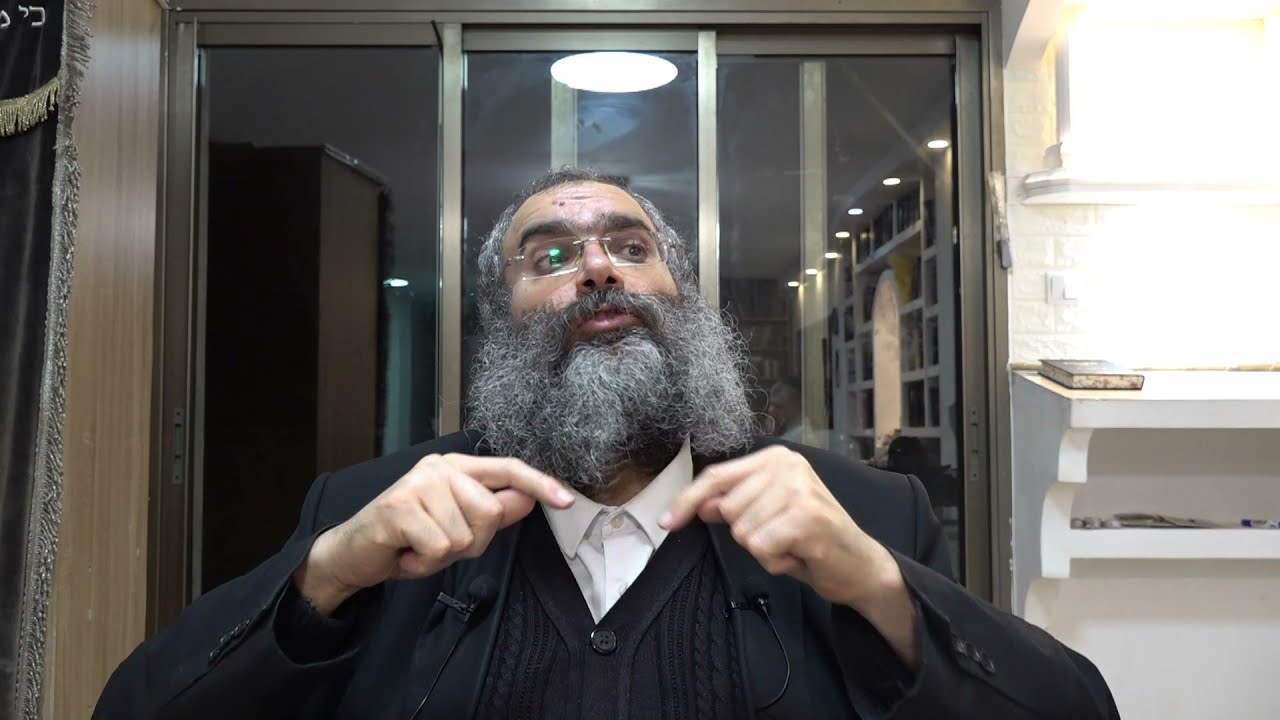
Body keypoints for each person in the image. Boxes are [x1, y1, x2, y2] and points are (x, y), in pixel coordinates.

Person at [95, 168, 1118, 719]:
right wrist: (327, 577)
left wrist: (880, 589)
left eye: (630, 247)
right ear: (500, 320)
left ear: (680, 297)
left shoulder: (862, 512)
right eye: (551, 256)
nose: (597, 269)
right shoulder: (371, 513)